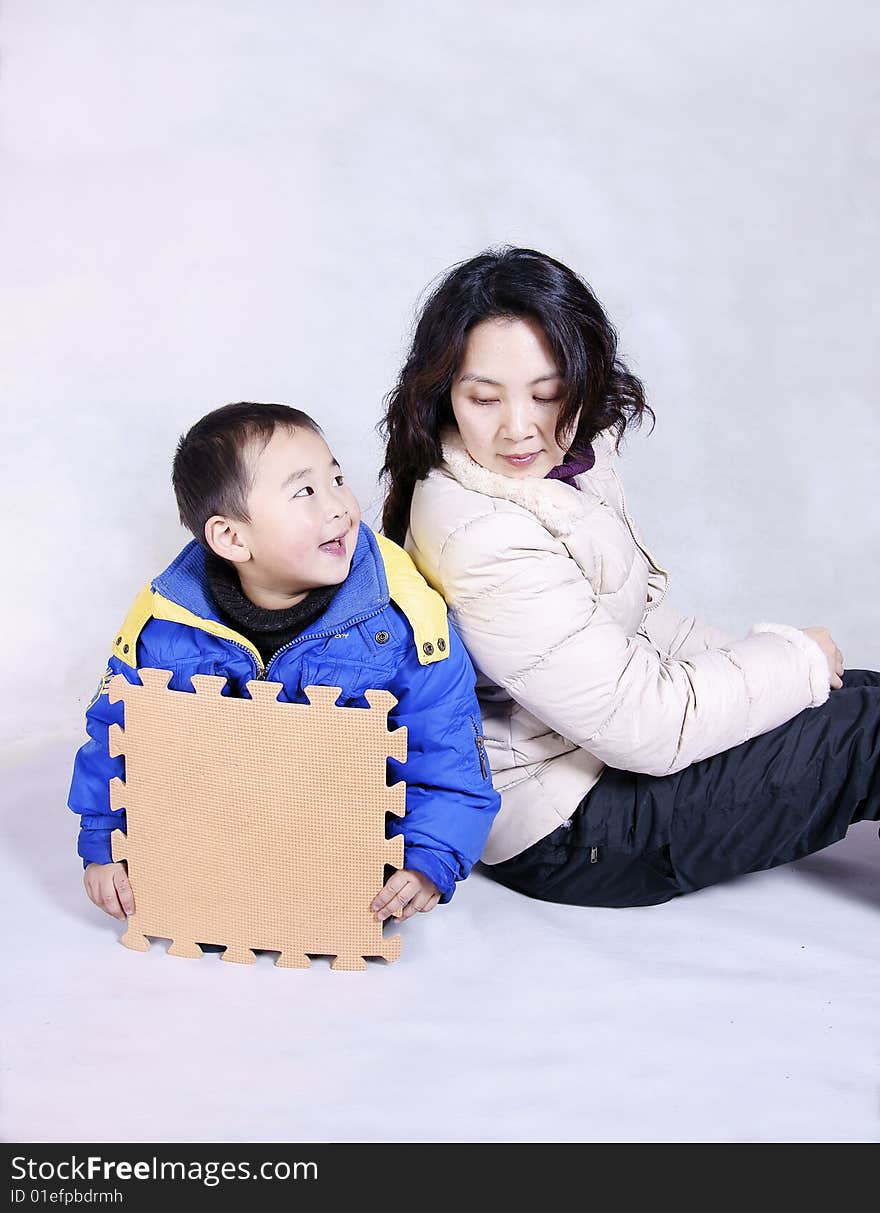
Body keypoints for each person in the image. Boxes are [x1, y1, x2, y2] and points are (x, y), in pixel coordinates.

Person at [380, 246, 879, 908]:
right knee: (869, 724)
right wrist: (792, 664)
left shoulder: (562, 466)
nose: (519, 427)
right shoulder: (480, 531)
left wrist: (769, 666)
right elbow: (641, 723)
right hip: (570, 829)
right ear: (444, 395)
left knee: (855, 693)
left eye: (548, 392)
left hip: (592, 766)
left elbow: (630, 620)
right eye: (483, 398)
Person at [69, 401, 500, 924]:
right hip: (223, 860)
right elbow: (115, 739)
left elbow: (448, 746)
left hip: (341, 866)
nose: (339, 506)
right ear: (231, 537)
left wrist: (430, 857)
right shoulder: (164, 624)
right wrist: (104, 842)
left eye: (337, 478)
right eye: (305, 491)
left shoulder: (405, 625)